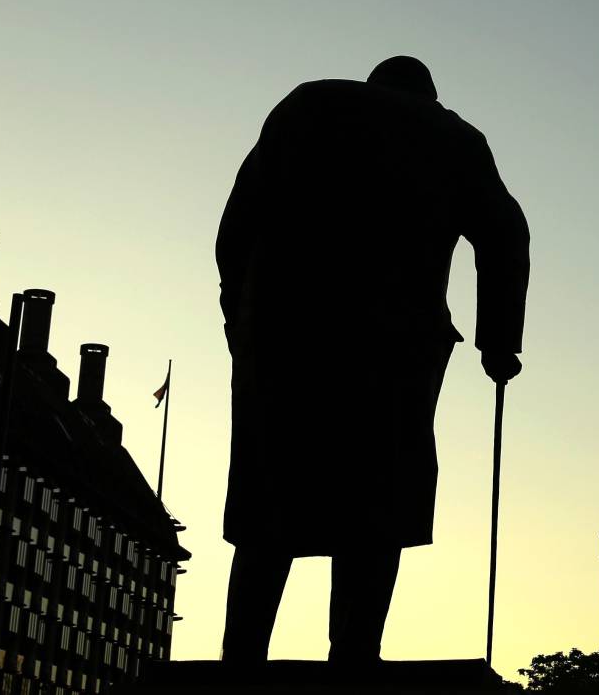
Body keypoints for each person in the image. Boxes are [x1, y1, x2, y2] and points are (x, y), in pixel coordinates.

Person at [214, 56, 529, 665]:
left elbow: (237, 222)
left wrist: (239, 314)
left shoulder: (305, 105)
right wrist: (498, 339)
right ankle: (355, 655)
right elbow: (505, 233)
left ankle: (242, 658)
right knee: (377, 498)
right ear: (429, 95)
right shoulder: (454, 136)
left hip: (288, 335)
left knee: (270, 494)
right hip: (394, 345)